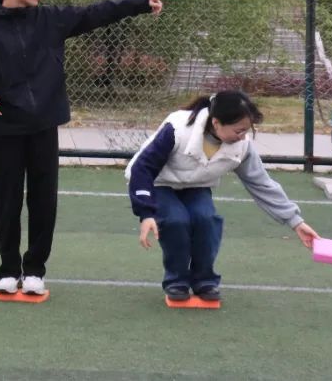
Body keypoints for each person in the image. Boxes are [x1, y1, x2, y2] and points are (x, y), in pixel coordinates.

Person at [0, 0, 173, 296]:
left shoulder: (50, 19)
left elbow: (96, 13)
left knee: (44, 200)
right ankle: (8, 270)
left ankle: (35, 270)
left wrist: (140, 3)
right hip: (3, 129)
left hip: (43, 126)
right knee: (7, 201)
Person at [126, 91, 320, 301]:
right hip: (157, 183)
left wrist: (295, 222)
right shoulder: (178, 130)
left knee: (206, 220)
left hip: (195, 185)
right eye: (239, 130)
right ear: (216, 122)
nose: (243, 136)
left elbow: (262, 183)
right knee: (176, 221)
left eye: (247, 130)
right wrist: (146, 213)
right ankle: (177, 282)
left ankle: (204, 281)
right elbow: (142, 169)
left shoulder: (242, 147)